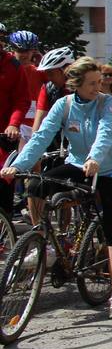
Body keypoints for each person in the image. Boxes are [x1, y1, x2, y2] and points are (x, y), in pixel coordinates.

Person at [3, 57, 112, 318]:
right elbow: (42, 136)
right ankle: (46, 242)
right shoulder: (64, 105)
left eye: (100, 82)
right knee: (37, 184)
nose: (98, 88)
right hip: (78, 163)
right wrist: (18, 165)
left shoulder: (106, 102)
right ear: (75, 84)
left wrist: (95, 158)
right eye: (92, 84)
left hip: (110, 168)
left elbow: (106, 132)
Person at [0, 35, 33, 222]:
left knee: (4, 182)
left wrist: (13, 124)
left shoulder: (12, 65)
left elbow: (22, 100)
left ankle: (3, 232)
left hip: (5, 133)